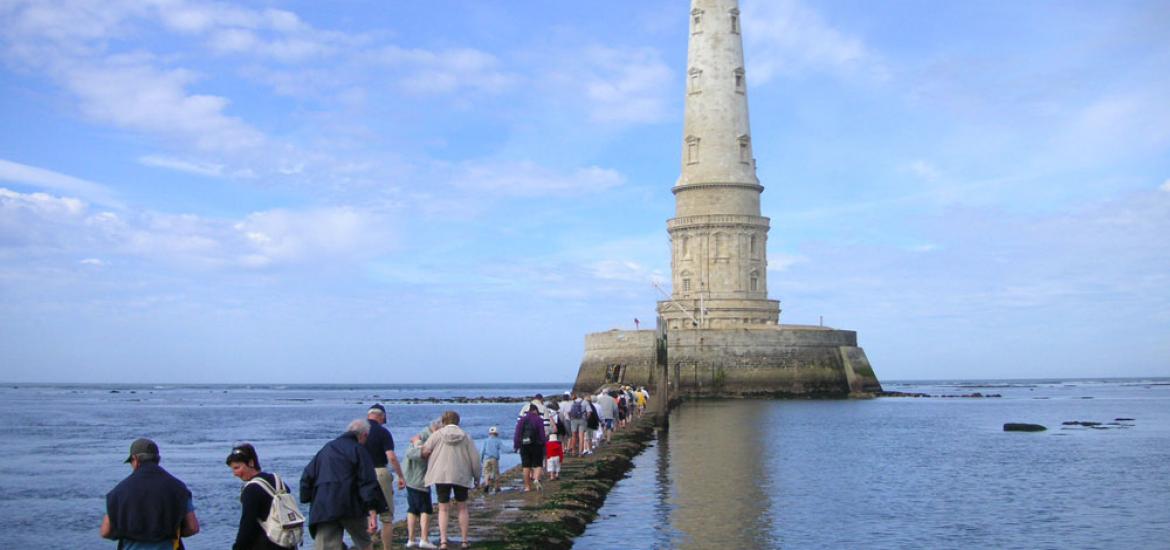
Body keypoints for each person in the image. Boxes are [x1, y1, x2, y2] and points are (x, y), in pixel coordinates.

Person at [300, 419, 385, 550]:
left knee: (325, 545)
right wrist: (373, 511)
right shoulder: (359, 450)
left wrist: (306, 498)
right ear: (364, 435)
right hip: (352, 506)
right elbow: (367, 482)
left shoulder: (326, 449)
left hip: (325, 506)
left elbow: (307, 476)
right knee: (364, 542)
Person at [100, 438, 200, 549]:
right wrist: (170, 533)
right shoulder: (178, 488)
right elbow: (192, 527)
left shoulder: (118, 492)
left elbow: (105, 531)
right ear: (158, 459)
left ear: (136, 459)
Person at [422, 411, 482, 550]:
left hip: (441, 474)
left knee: (443, 508)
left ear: (443, 421)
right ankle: (464, 540)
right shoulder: (466, 436)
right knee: (462, 507)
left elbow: (425, 451)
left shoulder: (437, 435)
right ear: (458, 421)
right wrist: (477, 476)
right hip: (461, 474)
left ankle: (443, 541)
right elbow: (475, 459)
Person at [226, 443, 289, 550]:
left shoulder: (251, 489)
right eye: (233, 469)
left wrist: (238, 547)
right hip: (287, 542)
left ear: (251, 463)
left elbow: (247, 525)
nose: (235, 473)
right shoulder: (278, 481)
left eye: (237, 467)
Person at [365, 403, 407, 550]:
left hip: (362, 474)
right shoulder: (383, 432)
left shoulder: (357, 431)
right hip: (380, 472)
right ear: (381, 416)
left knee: (366, 515)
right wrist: (400, 476)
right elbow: (391, 457)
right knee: (386, 516)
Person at [403, 433, 437, 549]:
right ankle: (424, 539)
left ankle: (411, 539)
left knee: (412, 509)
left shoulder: (413, 444)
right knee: (425, 509)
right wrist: (418, 443)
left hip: (410, 480)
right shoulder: (419, 445)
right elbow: (419, 454)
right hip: (419, 482)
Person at [513, 403, 547, 492]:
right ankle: (536, 479)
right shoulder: (539, 420)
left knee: (526, 466)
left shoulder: (522, 420)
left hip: (524, 445)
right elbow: (542, 435)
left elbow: (517, 433)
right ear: (535, 411)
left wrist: (516, 445)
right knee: (538, 464)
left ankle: (527, 487)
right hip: (537, 445)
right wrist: (544, 444)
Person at [479, 426, 503, 493]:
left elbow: (482, 451)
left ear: (489, 433)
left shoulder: (485, 441)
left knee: (486, 473)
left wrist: (480, 459)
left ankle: (486, 484)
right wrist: (513, 450)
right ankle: (497, 487)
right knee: (495, 473)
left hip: (486, 460)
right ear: (497, 433)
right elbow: (503, 448)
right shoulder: (497, 440)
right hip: (494, 459)